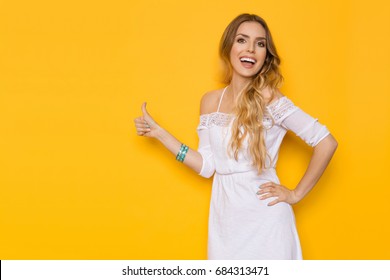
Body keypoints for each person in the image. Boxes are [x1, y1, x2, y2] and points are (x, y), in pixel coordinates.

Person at [134, 13, 338, 260]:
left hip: (266, 220)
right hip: (225, 221)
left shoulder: (270, 98)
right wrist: (161, 134)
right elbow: (208, 166)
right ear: (228, 47)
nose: (251, 49)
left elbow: (326, 142)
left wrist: (295, 194)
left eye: (260, 44)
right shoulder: (210, 101)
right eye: (242, 40)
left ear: (265, 55)